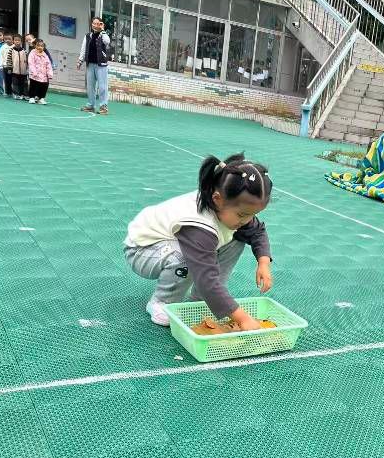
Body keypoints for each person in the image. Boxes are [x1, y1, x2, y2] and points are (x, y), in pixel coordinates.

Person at [124, 154, 273, 328]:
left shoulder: (231, 206)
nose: (247, 220)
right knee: (184, 258)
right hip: (142, 250)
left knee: (238, 238)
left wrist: (263, 263)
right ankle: (162, 302)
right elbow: (205, 278)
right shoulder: (200, 226)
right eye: (242, 215)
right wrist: (242, 318)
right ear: (217, 199)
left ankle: (203, 300)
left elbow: (256, 231)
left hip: (172, 243)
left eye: (253, 214)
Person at [77, 17, 111, 115]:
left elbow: (107, 41)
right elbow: (83, 49)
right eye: (94, 23)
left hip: (101, 65)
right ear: (91, 24)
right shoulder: (88, 36)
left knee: (102, 86)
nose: (95, 25)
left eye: (98, 24)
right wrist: (80, 61)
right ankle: (91, 105)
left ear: (101, 25)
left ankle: (103, 106)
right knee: (90, 86)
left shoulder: (103, 35)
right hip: (90, 64)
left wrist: (103, 30)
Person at [27, 39, 53, 104]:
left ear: (44, 47)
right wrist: (34, 72)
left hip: (44, 75)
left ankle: (41, 98)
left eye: (41, 46)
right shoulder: (32, 53)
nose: (40, 47)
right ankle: (32, 97)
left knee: (44, 86)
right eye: (38, 45)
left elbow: (48, 65)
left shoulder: (45, 55)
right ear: (35, 46)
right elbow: (31, 63)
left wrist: (50, 73)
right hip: (35, 74)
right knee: (33, 86)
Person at [6, 34, 28, 100]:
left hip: (23, 71)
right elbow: (9, 60)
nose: (17, 41)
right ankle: (16, 94)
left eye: (19, 40)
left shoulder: (24, 51)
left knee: (24, 84)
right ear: (13, 41)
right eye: (15, 40)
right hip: (15, 71)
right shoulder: (11, 50)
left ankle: (24, 94)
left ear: (21, 41)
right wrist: (9, 68)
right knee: (15, 83)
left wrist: (27, 69)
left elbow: (27, 61)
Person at [0, 32, 14, 97]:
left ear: (12, 39)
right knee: (6, 80)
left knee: (13, 80)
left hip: (13, 67)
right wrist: (1, 65)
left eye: (9, 39)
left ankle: (14, 92)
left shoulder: (14, 46)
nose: (7, 40)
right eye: (6, 39)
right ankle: (7, 92)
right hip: (5, 66)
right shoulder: (3, 47)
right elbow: (1, 56)